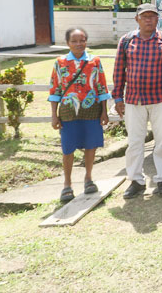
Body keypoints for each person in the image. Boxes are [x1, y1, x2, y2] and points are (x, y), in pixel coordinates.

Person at [113, 3, 162, 199]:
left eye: (152, 16)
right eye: (145, 16)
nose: (149, 20)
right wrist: (118, 97)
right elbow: (119, 70)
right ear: (137, 19)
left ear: (158, 19)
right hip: (134, 100)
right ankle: (136, 180)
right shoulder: (126, 41)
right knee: (135, 142)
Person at [49, 27, 111, 202]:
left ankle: (88, 178)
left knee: (91, 145)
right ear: (67, 43)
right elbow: (55, 89)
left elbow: (102, 87)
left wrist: (104, 111)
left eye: (82, 40)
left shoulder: (95, 61)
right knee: (68, 147)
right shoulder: (60, 62)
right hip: (68, 112)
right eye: (74, 41)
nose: (78, 44)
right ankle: (67, 184)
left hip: (92, 110)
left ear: (86, 41)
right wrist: (54, 115)